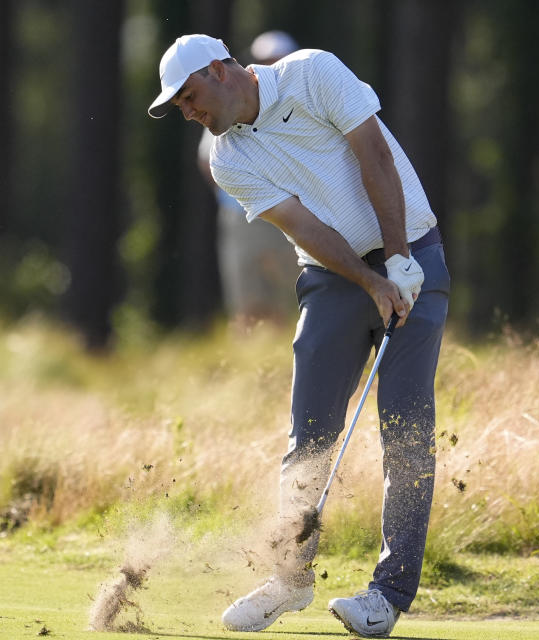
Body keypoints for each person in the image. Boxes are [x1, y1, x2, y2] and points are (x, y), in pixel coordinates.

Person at [148, 34, 449, 638]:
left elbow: (375, 157)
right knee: (309, 436)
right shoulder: (228, 158)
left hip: (413, 254)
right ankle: (290, 579)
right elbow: (304, 227)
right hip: (333, 277)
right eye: (178, 105)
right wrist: (368, 280)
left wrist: (397, 262)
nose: (187, 111)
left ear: (219, 69)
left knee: (406, 433)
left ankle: (387, 596)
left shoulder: (312, 73)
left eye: (188, 95)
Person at [196, 31, 301, 326]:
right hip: (241, 214)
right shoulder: (229, 103)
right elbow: (208, 160)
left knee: (289, 296)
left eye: (277, 59)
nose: (271, 65)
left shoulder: (300, 101)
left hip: (292, 213)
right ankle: (252, 365)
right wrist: (241, 193)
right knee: (247, 299)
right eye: (265, 59)